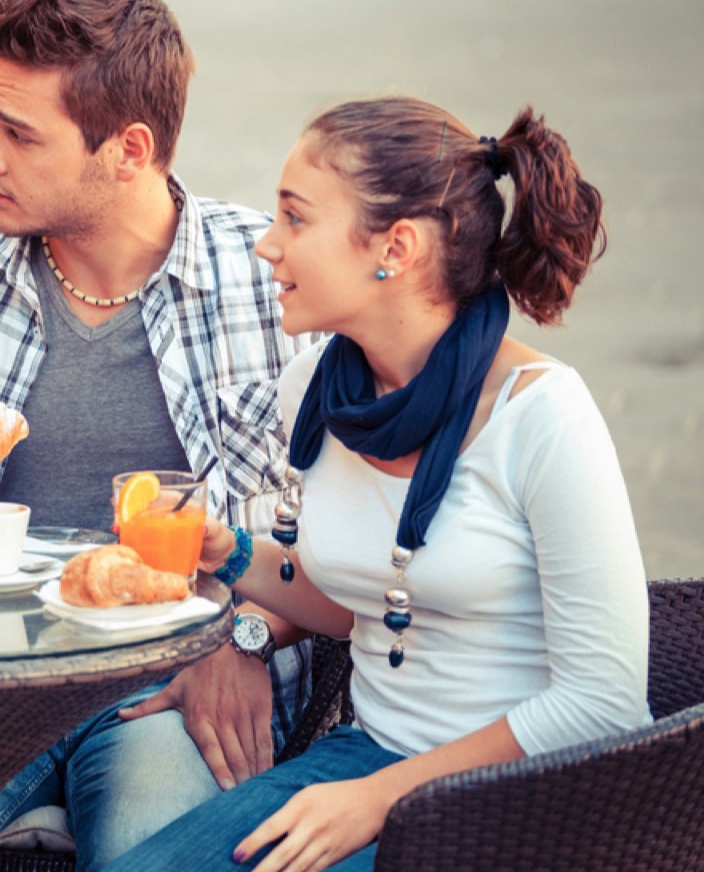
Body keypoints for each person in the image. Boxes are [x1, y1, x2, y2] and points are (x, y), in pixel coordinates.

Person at [0, 0, 313, 867]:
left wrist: (244, 632)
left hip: (165, 679)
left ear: (128, 149)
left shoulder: (266, 283)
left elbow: (334, 547)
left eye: (18, 134)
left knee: (152, 853)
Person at [105, 97, 650, 871]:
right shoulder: (316, 391)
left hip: (538, 797)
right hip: (366, 762)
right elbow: (348, 596)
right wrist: (225, 554)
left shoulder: (541, 416)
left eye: (295, 219)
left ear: (395, 246)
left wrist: (385, 795)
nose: (267, 245)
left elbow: (605, 702)